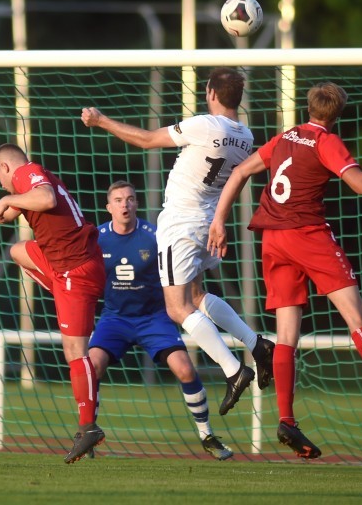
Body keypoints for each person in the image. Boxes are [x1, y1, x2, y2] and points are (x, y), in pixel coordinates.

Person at [208, 81, 362, 460]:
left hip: (271, 237)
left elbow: (239, 174)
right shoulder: (325, 141)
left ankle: (286, 420)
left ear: (309, 107)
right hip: (306, 234)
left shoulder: (287, 135)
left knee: (287, 333)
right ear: (338, 114)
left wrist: (219, 222)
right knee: (357, 315)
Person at [81, 67, 275, 418]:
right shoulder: (245, 135)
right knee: (198, 296)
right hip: (207, 221)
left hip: (181, 224)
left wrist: (102, 121)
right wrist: (220, 221)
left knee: (177, 308)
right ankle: (256, 343)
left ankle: (234, 370)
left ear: (212, 93)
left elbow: (147, 140)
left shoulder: (206, 124)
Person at [0, 143, 107, 464]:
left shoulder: (29, 174)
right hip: (72, 264)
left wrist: (9, 197)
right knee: (18, 251)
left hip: (76, 267)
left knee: (75, 352)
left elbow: (46, 199)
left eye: (0, 181)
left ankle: (88, 427)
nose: (1, 187)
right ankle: (61, 291)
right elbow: (3, 214)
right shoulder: (31, 183)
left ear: (5, 168)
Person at [90, 180, 233, 461]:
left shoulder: (155, 236)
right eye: (118, 200)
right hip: (114, 319)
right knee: (91, 366)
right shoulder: (96, 238)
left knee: (185, 370)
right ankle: (88, 436)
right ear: (109, 207)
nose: (124, 204)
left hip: (153, 318)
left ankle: (207, 435)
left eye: (130, 198)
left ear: (137, 203)